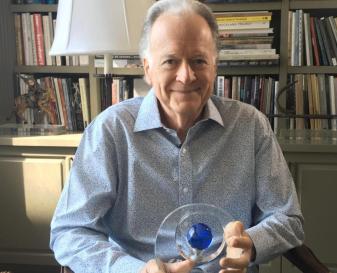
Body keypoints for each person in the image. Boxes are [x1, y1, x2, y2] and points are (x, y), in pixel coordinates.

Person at [50, 0, 304, 272]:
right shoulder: (111, 131)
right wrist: (134, 270)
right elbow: (70, 232)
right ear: (147, 68)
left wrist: (249, 243)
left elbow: (288, 219)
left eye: (199, 61)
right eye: (171, 61)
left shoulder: (251, 126)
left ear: (215, 65)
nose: (186, 76)